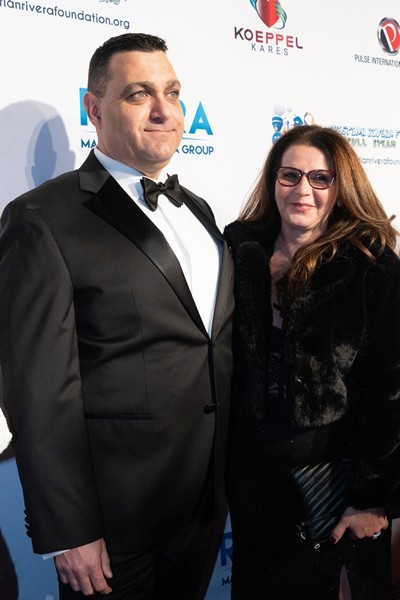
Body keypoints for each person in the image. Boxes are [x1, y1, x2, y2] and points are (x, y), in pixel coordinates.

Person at [0, 33, 233, 599]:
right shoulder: (42, 218)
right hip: (112, 524)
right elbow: (38, 389)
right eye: (138, 94)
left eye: (172, 93)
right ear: (95, 108)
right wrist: (69, 530)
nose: (163, 110)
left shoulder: (199, 210)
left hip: (205, 502)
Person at [224, 124, 400, 599]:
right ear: (273, 181)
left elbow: (388, 390)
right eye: (291, 175)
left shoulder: (373, 266)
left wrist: (371, 498)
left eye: (321, 178)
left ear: (342, 188)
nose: (303, 190)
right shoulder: (238, 253)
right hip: (254, 487)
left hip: (335, 493)